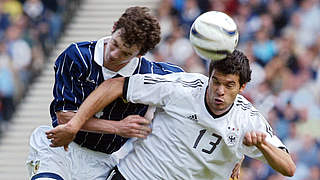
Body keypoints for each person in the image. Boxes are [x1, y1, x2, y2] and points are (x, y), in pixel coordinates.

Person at [47, 50, 296, 179]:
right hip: (136, 176)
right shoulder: (181, 88)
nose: (219, 91)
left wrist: (262, 145)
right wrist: (74, 124)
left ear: (242, 88)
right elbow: (114, 85)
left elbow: (288, 168)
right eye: (215, 82)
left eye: (229, 85)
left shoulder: (248, 120)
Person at [27, 6, 185, 180]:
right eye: (115, 43)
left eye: (126, 53)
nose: (114, 54)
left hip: (103, 162)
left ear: (139, 54)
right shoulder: (77, 56)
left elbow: (194, 86)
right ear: (114, 27)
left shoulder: (150, 76)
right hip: (59, 149)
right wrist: (118, 127)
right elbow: (65, 116)